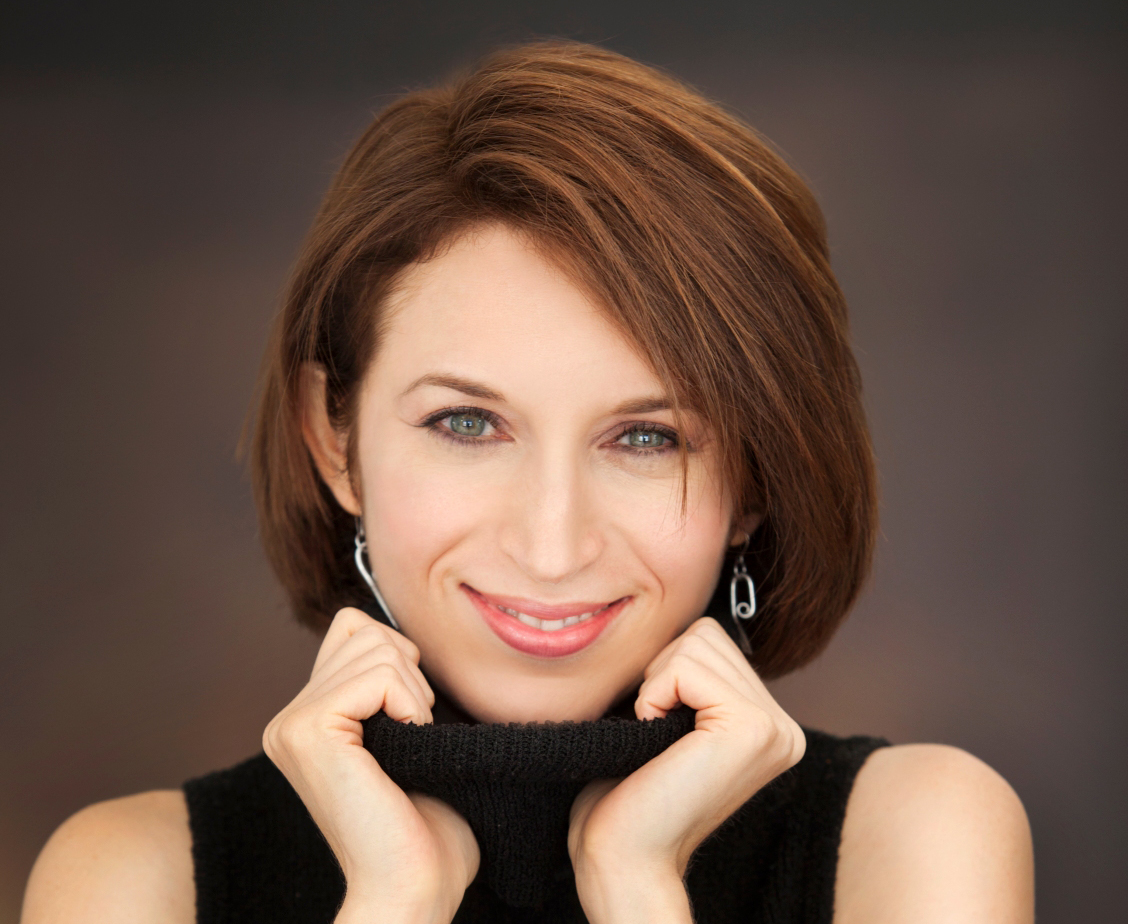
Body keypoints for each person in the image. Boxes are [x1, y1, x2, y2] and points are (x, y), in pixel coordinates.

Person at [21, 41, 1034, 924]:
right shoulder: (137, 881)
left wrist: (637, 889)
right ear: (334, 442)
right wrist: (392, 906)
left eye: (647, 438)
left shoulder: (915, 837)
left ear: (756, 479)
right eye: (468, 423)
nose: (553, 545)